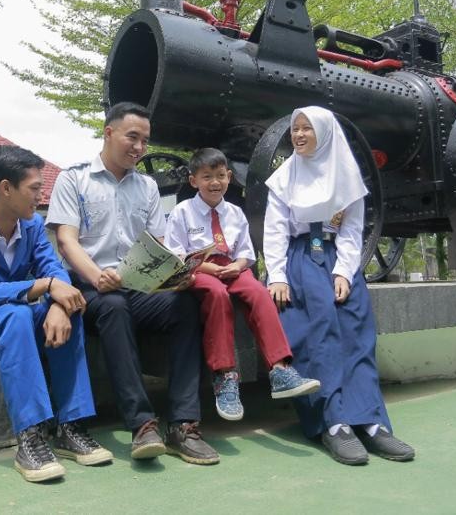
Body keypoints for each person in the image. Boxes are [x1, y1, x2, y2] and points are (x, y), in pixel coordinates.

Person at [47, 102, 219, 466]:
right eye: (132, 137)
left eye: (145, 140)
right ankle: (142, 424)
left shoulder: (147, 187)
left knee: (185, 306)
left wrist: (174, 275)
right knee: (113, 306)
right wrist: (97, 276)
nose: (139, 147)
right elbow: (66, 240)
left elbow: (156, 244)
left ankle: (184, 424)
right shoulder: (74, 178)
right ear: (109, 133)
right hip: (89, 289)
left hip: (137, 287)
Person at [0, 145, 111, 483]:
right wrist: (45, 287)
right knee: (14, 315)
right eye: (33, 188)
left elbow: (54, 271)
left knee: (69, 305)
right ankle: (30, 437)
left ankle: (70, 426)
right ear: (5, 188)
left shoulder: (31, 228)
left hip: (11, 328)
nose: (39, 195)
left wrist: (59, 303)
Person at [263, 106, 415, 466]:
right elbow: (274, 230)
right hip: (300, 258)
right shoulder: (284, 177)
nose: (298, 135)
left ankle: (371, 422)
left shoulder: (346, 176)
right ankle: (332, 423)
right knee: (318, 335)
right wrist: (278, 275)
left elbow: (352, 229)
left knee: (357, 330)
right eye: (295, 129)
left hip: (336, 258)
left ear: (325, 133)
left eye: (306, 129)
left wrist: (345, 272)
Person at [164, 147, 320, 421]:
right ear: (193, 181)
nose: (215, 182)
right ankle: (225, 376)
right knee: (216, 296)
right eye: (207, 176)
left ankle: (281, 369)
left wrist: (237, 266)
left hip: (232, 267)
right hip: (199, 269)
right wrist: (206, 267)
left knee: (259, 293)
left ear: (229, 177)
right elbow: (176, 253)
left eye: (221, 176)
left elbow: (246, 252)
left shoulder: (235, 213)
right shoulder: (182, 212)